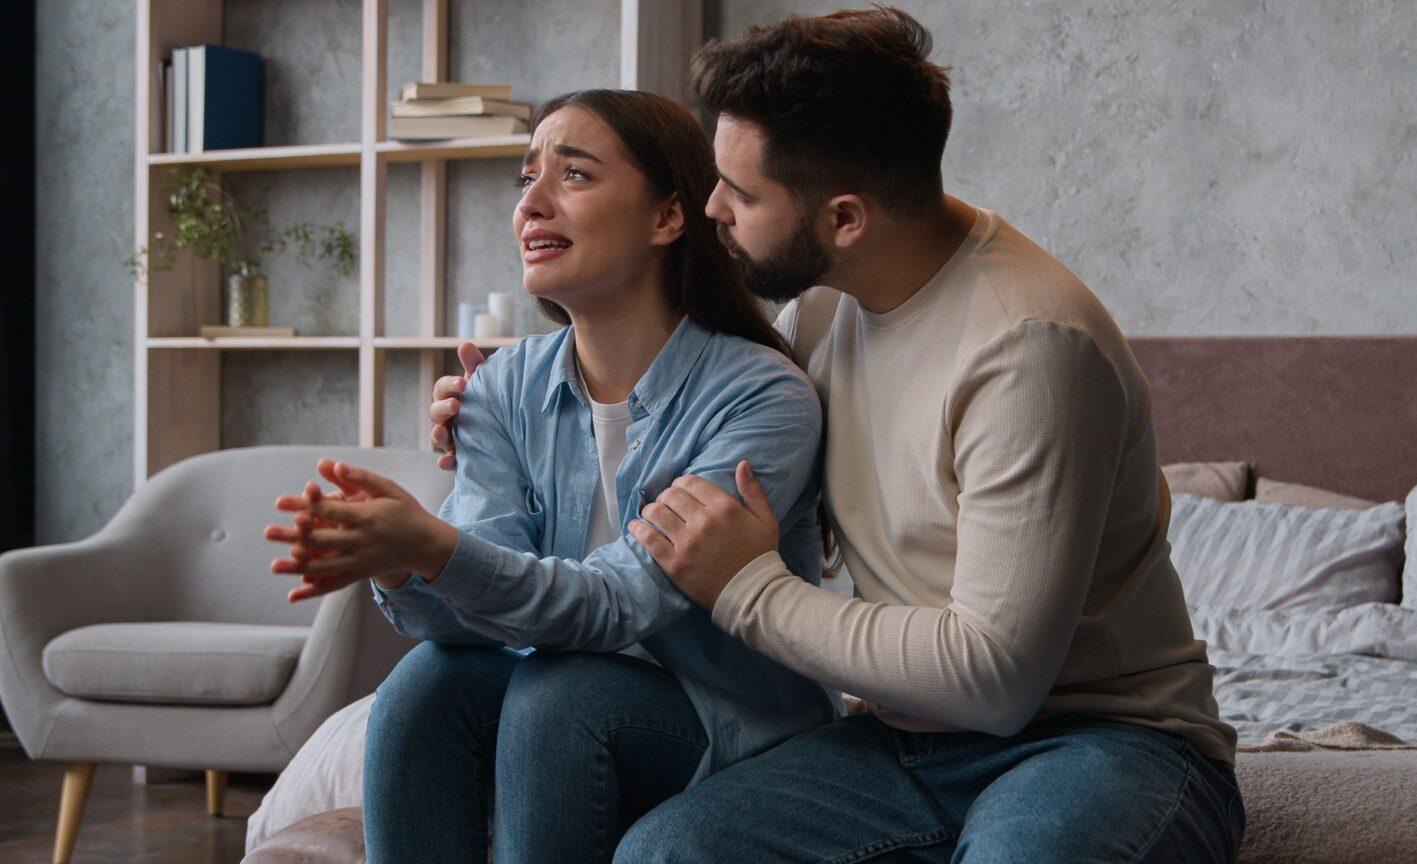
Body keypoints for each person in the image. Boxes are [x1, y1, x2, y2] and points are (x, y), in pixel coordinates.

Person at [432, 8, 1244, 863]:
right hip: (900, 741)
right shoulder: (821, 312)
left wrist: (747, 589)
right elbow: (689, 431)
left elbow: (994, 680)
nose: (711, 208)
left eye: (741, 194)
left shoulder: (1030, 350)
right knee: (665, 853)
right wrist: (489, 418)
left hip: (1100, 739)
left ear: (846, 218)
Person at [264, 88, 835, 864]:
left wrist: (436, 550)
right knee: (425, 684)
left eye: (573, 176)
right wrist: (405, 569)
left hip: (727, 723)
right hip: (558, 715)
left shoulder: (760, 399)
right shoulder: (499, 387)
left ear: (669, 216)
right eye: (525, 178)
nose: (531, 203)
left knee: (559, 695)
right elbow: (467, 626)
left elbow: (615, 606)